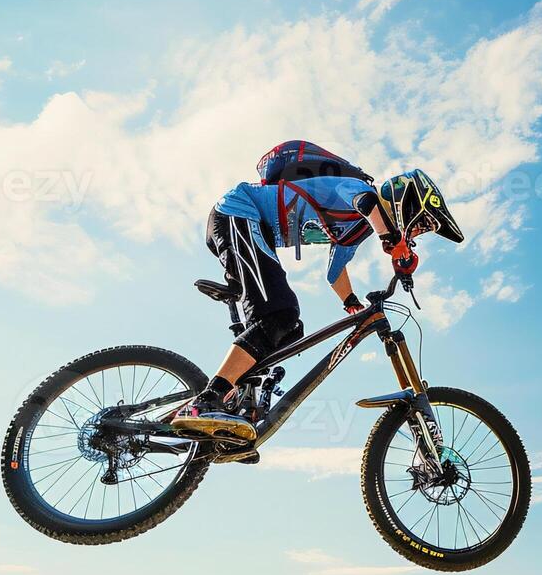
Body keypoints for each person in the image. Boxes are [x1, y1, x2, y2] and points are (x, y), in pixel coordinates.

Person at [171, 167, 464, 439]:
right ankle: (208, 400)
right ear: (408, 200)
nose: (419, 232)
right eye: (423, 223)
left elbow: (335, 272)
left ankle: (233, 412)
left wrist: (351, 303)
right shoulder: (360, 190)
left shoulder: (354, 231)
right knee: (280, 314)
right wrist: (392, 241)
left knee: (288, 332)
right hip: (237, 213)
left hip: (247, 226)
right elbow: (365, 203)